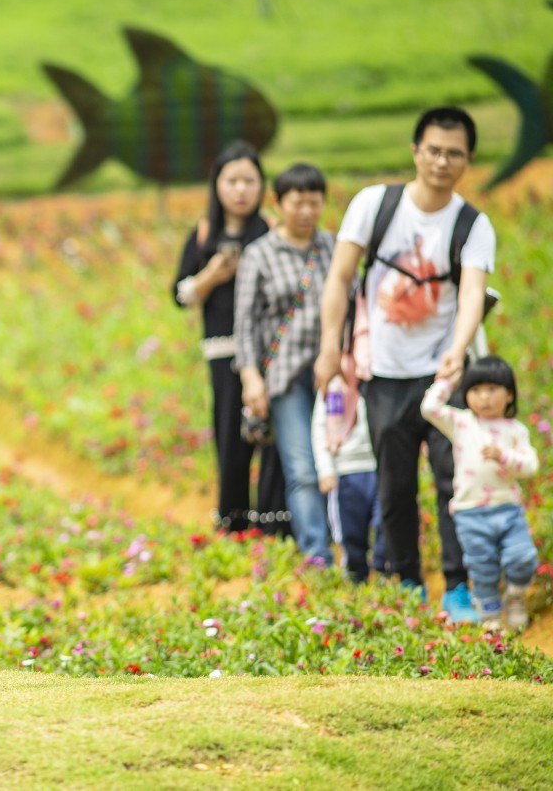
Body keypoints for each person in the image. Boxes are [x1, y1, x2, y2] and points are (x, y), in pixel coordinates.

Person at [314, 106, 495, 622]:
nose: (442, 161)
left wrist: (457, 350)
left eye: (454, 153)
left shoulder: (472, 225)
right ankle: (408, 581)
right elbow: (340, 277)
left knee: (451, 480)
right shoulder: (375, 205)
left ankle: (457, 586)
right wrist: (331, 346)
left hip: (442, 376)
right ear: (415, 151)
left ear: (468, 160)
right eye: (434, 150)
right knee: (394, 486)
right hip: (384, 373)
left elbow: (471, 296)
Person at [173, 140, 287, 536]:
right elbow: (180, 294)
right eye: (232, 180)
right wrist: (213, 276)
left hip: (270, 349)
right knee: (229, 432)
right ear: (217, 186)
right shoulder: (204, 234)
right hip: (222, 348)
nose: (240, 190)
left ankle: (275, 520)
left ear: (261, 186)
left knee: (274, 431)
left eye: (249, 181)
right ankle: (233, 520)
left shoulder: (273, 231)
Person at [232, 163, 334, 564]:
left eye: (315, 203)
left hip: (335, 376)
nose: (307, 212)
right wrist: (250, 377)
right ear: (279, 203)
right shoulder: (260, 254)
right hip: (287, 377)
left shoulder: (333, 246)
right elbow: (245, 325)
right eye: (298, 203)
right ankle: (317, 553)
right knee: (303, 467)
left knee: (342, 462)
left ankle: (354, 549)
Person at [421, 356, 538, 630]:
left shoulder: (516, 431)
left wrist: (503, 457)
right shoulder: (461, 423)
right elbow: (429, 407)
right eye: (475, 390)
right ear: (466, 395)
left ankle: (516, 596)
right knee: (481, 567)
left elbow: (530, 466)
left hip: (508, 508)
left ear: (509, 394)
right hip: (470, 512)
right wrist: (447, 380)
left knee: (522, 557)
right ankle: (491, 617)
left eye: (492, 389)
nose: (484, 397)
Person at [312, 368, 388, 583]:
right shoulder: (332, 385)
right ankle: (356, 576)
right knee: (350, 532)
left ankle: (384, 572)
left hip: (378, 467)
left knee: (384, 523)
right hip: (345, 471)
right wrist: (325, 469)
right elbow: (319, 429)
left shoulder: (378, 376)